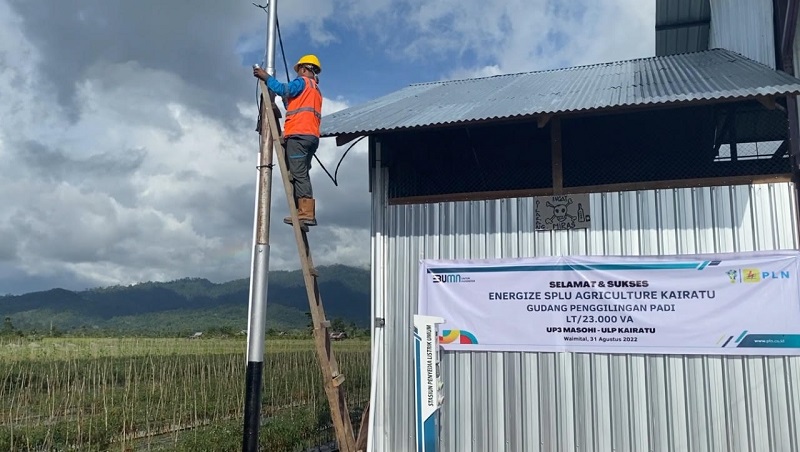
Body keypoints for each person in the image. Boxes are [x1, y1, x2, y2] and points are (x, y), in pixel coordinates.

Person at [253, 54, 323, 227]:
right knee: (301, 173)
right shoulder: (315, 90)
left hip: (298, 135)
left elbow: (283, 89)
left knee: (299, 174)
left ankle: (305, 213)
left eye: (299, 70)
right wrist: (287, 100)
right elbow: (293, 104)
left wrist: (266, 77)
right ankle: (303, 211)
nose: (298, 73)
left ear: (304, 69)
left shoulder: (302, 82)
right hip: (311, 137)